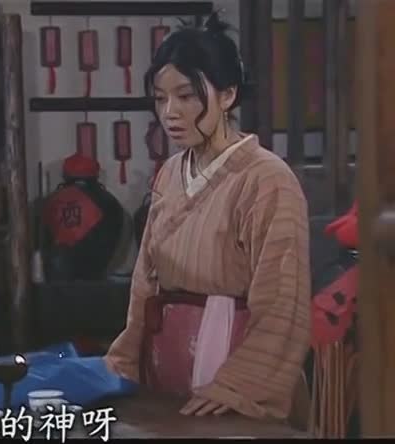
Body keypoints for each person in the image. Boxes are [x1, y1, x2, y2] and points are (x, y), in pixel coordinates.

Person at [105, 13, 311, 422]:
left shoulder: (267, 179)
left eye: (186, 96)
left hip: (235, 376)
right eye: (161, 98)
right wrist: (124, 362)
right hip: (165, 374)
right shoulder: (169, 174)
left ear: (228, 95)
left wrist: (237, 384)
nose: (170, 112)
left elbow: (283, 302)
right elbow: (144, 286)